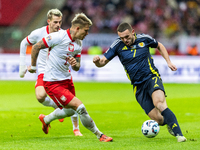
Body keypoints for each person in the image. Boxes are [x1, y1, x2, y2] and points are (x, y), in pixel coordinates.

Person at [93, 22, 186, 142]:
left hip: (152, 78)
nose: (125, 40)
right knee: (158, 119)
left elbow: (159, 45)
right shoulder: (117, 45)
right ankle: (170, 123)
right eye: (122, 38)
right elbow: (103, 61)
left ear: (132, 32)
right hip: (138, 86)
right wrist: (97, 61)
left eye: (127, 37)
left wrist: (168, 61)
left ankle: (179, 135)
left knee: (160, 104)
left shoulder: (144, 39)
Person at [28, 13, 113, 142]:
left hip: (67, 80)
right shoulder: (57, 37)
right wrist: (33, 67)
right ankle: (99, 135)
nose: (87, 33)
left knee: (70, 111)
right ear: (77, 28)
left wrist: (75, 64)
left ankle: (45, 119)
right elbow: (36, 47)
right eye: (86, 30)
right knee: (80, 107)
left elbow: (77, 66)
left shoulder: (78, 43)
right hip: (52, 82)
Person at [19, 8, 82, 136]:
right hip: (44, 71)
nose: (58, 25)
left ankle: (76, 129)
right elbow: (23, 43)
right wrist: (24, 65)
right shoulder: (39, 33)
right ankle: (56, 106)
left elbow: (74, 52)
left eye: (59, 22)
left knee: (72, 100)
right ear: (48, 21)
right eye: (55, 22)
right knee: (40, 96)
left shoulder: (64, 35)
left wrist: (73, 62)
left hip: (60, 72)